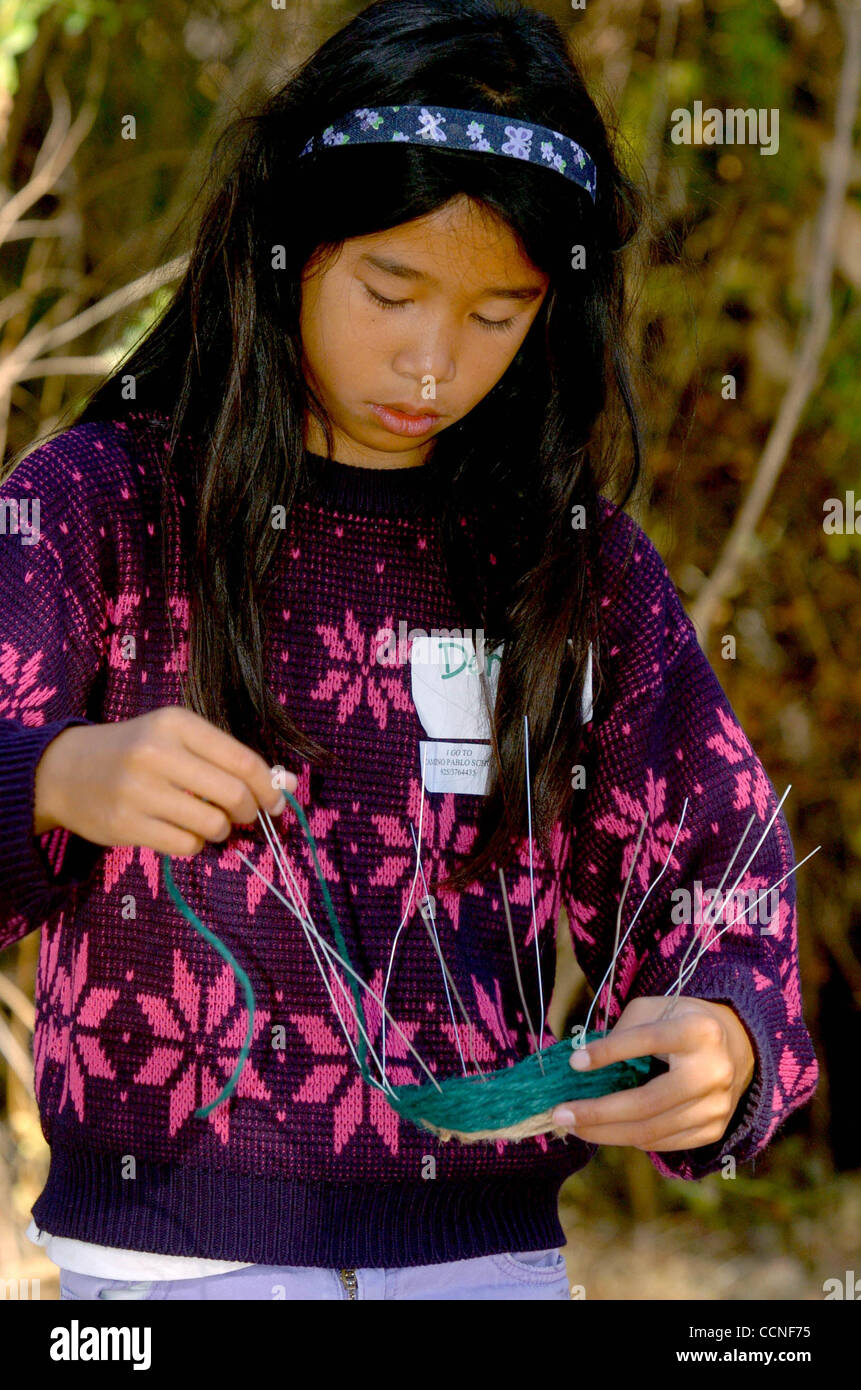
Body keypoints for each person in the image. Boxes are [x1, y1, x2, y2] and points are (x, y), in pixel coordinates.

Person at [0, 0, 817, 1302]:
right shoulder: (96, 509)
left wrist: (725, 1024)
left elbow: (718, 853)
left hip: (486, 1260)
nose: (431, 364)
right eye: (389, 289)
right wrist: (47, 777)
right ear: (285, 246)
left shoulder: (571, 566)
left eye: (498, 314)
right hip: (162, 1267)